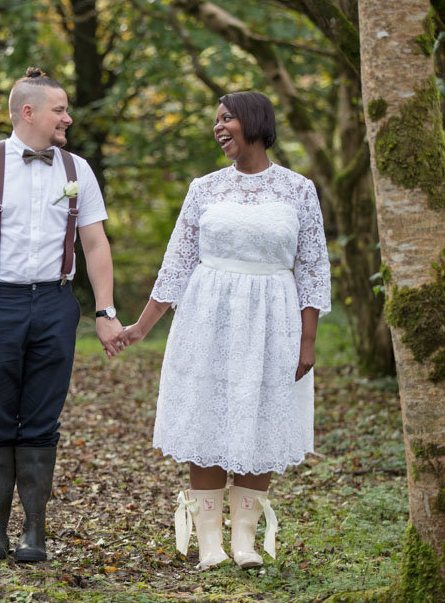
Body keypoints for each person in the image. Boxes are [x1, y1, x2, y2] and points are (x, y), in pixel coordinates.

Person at [118, 91, 330, 570]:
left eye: (226, 118)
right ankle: (210, 541)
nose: (218, 128)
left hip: (274, 318)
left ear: (255, 121)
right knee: (207, 418)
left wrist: (307, 338)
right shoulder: (205, 188)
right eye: (215, 120)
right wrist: (142, 326)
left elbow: (314, 268)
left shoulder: (298, 190)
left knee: (261, 416)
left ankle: (245, 541)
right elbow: (177, 263)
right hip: (208, 315)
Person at [0, 67, 124, 562]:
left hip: (54, 303)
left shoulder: (77, 170)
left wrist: (105, 311)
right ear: (29, 112)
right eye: (59, 109)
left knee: (43, 416)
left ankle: (35, 532)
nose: (67, 117)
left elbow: (95, 243)